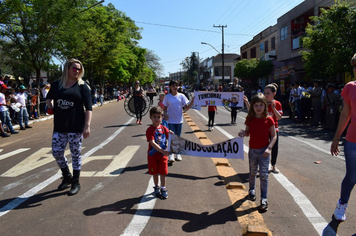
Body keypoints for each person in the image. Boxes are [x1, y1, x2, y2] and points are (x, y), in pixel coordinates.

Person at [46, 58, 92, 196]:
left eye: (79, 69)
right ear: (67, 69)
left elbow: (89, 108)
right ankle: (66, 176)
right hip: (60, 125)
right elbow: (49, 98)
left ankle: (75, 182)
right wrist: (50, 107)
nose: (77, 71)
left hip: (76, 126)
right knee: (56, 152)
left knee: (75, 154)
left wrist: (87, 126)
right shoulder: (56, 85)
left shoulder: (83, 86)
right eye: (74, 68)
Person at [238, 93, 276, 211]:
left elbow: (274, 136)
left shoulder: (269, 119)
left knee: (264, 176)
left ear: (265, 105)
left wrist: (269, 148)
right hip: (253, 151)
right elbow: (248, 132)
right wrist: (243, 133)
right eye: (256, 105)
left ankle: (264, 198)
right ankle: (251, 190)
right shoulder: (250, 118)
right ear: (252, 106)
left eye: (261, 105)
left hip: (264, 152)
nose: (258, 108)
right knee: (252, 172)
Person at [330, 54, 356, 222]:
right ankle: (342, 203)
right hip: (353, 141)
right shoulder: (350, 87)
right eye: (354, 66)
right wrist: (336, 138)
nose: (354, 69)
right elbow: (345, 114)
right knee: (352, 175)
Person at [163, 80, 194, 163]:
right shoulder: (167, 97)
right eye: (173, 86)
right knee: (171, 137)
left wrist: (192, 102)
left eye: (176, 86)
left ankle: (178, 154)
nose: (175, 87)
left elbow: (186, 108)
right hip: (171, 120)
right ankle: (171, 155)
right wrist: (165, 114)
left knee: (178, 137)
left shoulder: (181, 96)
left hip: (179, 120)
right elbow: (165, 107)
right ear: (170, 87)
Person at [146, 106, 171, 199]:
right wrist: (162, 150)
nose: (156, 119)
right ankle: (156, 186)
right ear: (150, 117)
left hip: (163, 156)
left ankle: (163, 188)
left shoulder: (164, 128)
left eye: (158, 117)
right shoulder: (150, 130)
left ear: (162, 117)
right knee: (155, 172)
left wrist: (172, 135)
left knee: (163, 172)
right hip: (153, 155)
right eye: (154, 117)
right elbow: (152, 142)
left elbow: (170, 137)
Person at [264, 83, 283, 173]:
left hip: (274, 130)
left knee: (274, 148)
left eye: (268, 93)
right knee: (264, 147)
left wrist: (274, 109)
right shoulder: (262, 103)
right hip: (263, 129)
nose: (266, 95)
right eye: (265, 93)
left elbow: (279, 117)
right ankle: (264, 164)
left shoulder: (277, 103)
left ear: (274, 93)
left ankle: (273, 165)